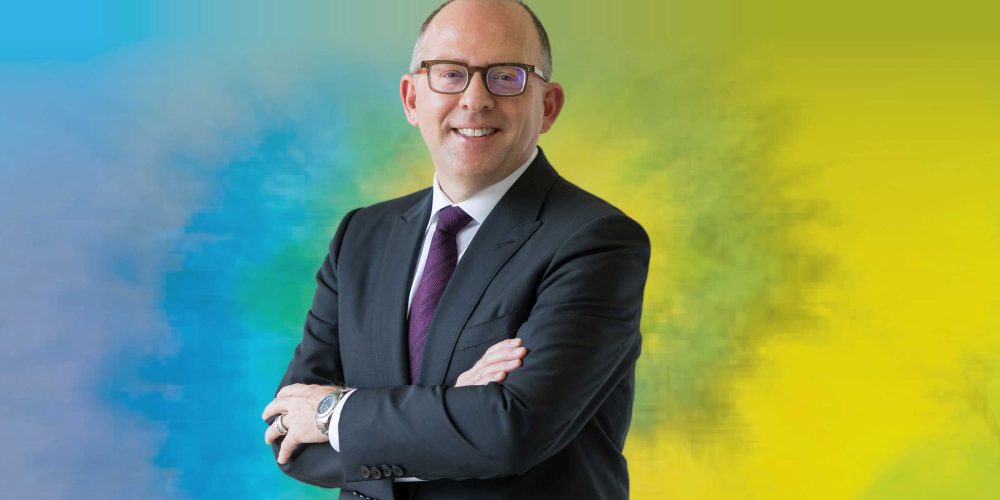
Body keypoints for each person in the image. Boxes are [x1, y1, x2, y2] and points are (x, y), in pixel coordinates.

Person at [261, 1, 650, 498]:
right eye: (449, 74)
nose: (475, 99)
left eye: (506, 77)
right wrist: (453, 410)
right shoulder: (361, 236)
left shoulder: (597, 241)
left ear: (548, 106)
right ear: (411, 99)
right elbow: (288, 435)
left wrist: (331, 414)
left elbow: (511, 432)